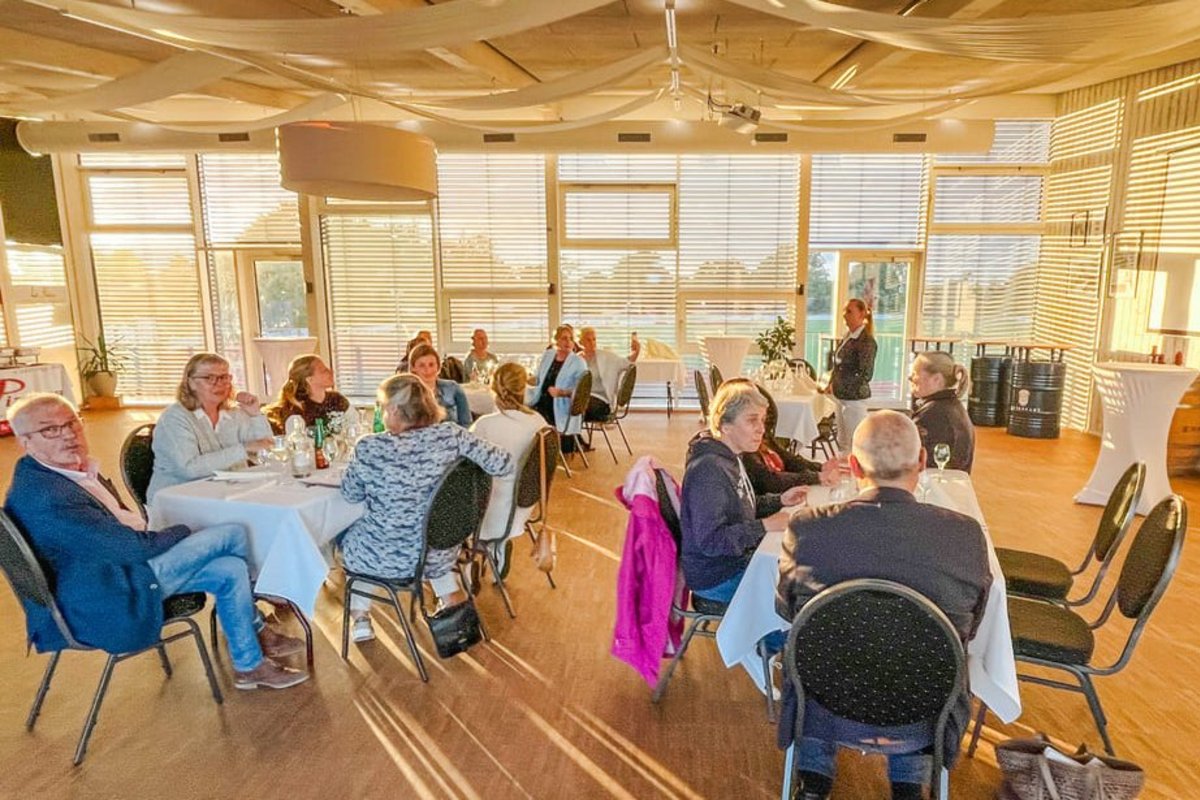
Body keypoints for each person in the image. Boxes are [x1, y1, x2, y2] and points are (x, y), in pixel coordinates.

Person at [4, 393, 308, 690]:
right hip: (106, 596)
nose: (67, 435)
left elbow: (121, 539)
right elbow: (130, 548)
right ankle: (260, 620)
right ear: (25, 441)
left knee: (229, 569)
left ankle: (249, 665)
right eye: (50, 430)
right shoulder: (47, 496)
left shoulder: (62, 473)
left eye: (72, 423)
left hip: (114, 574)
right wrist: (182, 530)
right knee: (232, 532)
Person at [775, 410, 991, 800]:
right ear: (922, 462)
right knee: (926, 655)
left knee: (816, 648)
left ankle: (813, 779)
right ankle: (910, 782)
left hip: (825, 702)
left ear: (854, 466)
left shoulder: (807, 528)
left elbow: (788, 611)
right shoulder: (965, 535)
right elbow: (970, 626)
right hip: (921, 710)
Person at [340, 374, 513, 642]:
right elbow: (504, 463)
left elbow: (350, 495)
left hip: (387, 558)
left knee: (347, 537)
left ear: (395, 410)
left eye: (383, 407)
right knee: (423, 547)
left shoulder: (370, 447)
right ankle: (451, 602)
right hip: (441, 547)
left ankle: (361, 618)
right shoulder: (451, 435)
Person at [680, 381, 808, 605]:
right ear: (725, 425)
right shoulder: (709, 470)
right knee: (799, 593)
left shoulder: (730, 456)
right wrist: (764, 526)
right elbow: (711, 542)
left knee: (804, 572)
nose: (761, 429)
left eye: (762, 420)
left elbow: (740, 505)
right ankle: (774, 639)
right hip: (717, 577)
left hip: (734, 562)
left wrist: (780, 500)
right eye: (752, 420)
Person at [147, 353, 273, 503]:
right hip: (180, 500)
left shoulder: (234, 414)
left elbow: (266, 451)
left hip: (229, 495)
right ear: (191, 383)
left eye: (224, 377)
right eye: (209, 378)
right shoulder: (174, 418)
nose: (219, 383)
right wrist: (243, 449)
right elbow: (189, 469)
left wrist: (255, 414)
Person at [470, 363, 551, 553]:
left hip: (494, 508)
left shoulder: (484, 425)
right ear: (524, 388)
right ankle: (497, 548)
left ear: (494, 389)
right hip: (527, 501)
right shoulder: (539, 422)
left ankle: (489, 548)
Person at [910, 351, 975, 473]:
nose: (911, 378)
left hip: (935, 485)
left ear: (936, 379)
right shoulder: (953, 406)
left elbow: (916, 460)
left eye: (915, 373)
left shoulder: (933, 414)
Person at [528, 325, 589, 452]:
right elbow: (539, 378)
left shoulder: (578, 362)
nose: (568, 342)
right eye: (564, 338)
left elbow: (583, 392)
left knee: (530, 419)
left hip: (561, 407)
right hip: (540, 400)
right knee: (519, 413)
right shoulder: (548, 355)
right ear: (556, 341)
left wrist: (562, 392)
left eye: (571, 339)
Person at [827, 298, 877, 451]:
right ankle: (844, 472)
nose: (845, 315)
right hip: (841, 397)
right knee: (843, 442)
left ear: (862, 314)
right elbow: (838, 365)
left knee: (856, 443)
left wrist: (842, 383)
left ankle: (856, 473)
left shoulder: (866, 341)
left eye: (849, 311)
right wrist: (831, 382)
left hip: (854, 400)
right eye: (844, 311)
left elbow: (866, 374)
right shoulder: (848, 336)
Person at [263, 354, 351, 435]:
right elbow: (298, 444)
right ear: (309, 379)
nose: (331, 371)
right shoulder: (296, 408)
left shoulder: (337, 399)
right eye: (324, 370)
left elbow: (355, 425)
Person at [578, 326, 640, 423]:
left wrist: (636, 351)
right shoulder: (576, 360)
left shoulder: (606, 357)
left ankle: (569, 435)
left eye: (594, 339)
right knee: (567, 406)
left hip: (602, 402)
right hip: (582, 399)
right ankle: (571, 436)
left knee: (576, 409)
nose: (592, 343)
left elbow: (626, 362)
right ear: (580, 342)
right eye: (588, 340)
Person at [405, 342, 471, 426]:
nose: (427, 370)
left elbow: (466, 423)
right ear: (413, 368)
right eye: (422, 365)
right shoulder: (406, 393)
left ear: (438, 366)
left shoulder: (453, 388)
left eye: (431, 365)